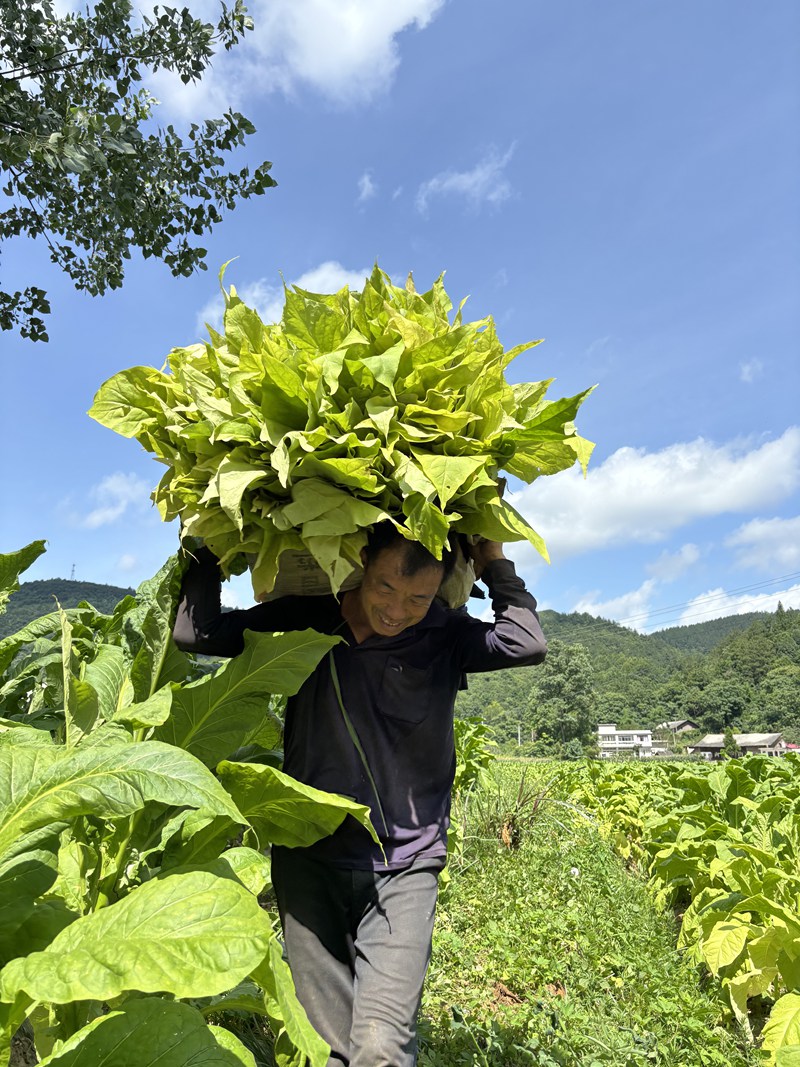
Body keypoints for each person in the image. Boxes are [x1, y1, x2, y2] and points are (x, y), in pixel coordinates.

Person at [173, 522, 547, 1067]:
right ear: (361, 561)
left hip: (405, 861)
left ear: (440, 586)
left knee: (380, 1046)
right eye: (385, 589)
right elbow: (197, 635)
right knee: (327, 1047)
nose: (398, 610)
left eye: (418, 597)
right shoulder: (306, 620)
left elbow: (526, 641)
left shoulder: (444, 635)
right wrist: (207, 546)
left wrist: (492, 562)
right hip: (309, 857)